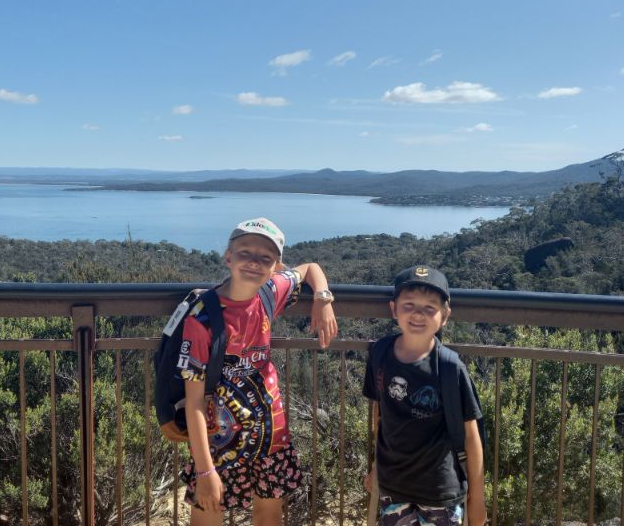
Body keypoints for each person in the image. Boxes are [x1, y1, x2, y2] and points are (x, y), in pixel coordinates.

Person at [177, 217, 338, 526]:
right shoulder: (202, 319)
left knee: (268, 516)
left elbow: (309, 269)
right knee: (207, 513)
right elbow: (194, 402)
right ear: (228, 257)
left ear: (275, 266)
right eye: (244, 253)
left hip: (270, 435)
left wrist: (322, 297)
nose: (254, 262)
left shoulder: (269, 292)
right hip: (217, 442)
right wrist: (205, 470)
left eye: (265, 258)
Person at [363, 265, 486, 526]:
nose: (418, 314)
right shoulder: (379, 354)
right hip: (392, 485)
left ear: (445, 315)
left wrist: (477, 499)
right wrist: (376, 467)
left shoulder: (450, 367)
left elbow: (471, 437)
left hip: (439, 490)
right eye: (409, 305)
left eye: (429, 307)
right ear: (393, 309)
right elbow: (381, 415)